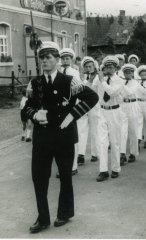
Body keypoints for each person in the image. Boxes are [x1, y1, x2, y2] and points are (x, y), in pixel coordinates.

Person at [23, 41, 98, 233]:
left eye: (48, 58)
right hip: (42, 138)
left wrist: (72, 115)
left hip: (64, 137)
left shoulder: (69, 81)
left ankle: (64, 213)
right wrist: (34, 114)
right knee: (39, 178)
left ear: (57, 60)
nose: (45, 61)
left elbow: (92, 97)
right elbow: (25, 108)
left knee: (65, 176)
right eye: (42, 58)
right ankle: (43, 218)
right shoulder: (35, 83)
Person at [95, 55, 125, 182]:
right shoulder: (99, 79)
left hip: (114, 111)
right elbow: (92, 90)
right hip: (102, 111)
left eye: (111, 66)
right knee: (102, 142)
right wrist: (96, 78)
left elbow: (112, 92)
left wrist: (102, 81)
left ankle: (116, 168)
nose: (109, 69)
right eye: (106, 66)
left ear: (116, 68)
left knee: (115, 141)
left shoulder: (120, 80)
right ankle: (103, 170)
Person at [58, 48, 82, 177]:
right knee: (60, 138)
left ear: (71, 59)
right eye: (63, 58)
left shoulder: (74, 72)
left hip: (71, 106)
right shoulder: (57, 71)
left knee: (71, 137)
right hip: (59, 108)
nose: (65, 61)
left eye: (67, 58)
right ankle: (62, 167)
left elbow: (77, 89)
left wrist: (74, 107)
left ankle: (73, 166)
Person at [81, 56, 104, 163]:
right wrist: (87, 81)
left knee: (95, 131)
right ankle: (80, 154)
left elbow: (94, 90)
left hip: (95, 106)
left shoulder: (98, 77)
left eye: (90, 66)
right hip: (84, 106)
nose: (88, 68)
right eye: (86, 66)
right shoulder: (83, 78)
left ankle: (95, 153)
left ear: (95, 67)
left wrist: (90, 80)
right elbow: (81, 90)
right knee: (82, 130)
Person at [120, 63, 140, 165]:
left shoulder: (135, 82)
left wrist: (121, 84)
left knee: (133, 130)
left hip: (132, 105)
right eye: (126, 72)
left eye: (130, 72)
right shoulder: (121, 82)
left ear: (133, 73)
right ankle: (122, 154)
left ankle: (133, 153)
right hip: (123, 105)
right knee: (122, 131)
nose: (128, 74)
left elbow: (130, 92)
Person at [136, 65, 146, 149]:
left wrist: (139, 86)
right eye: (142, 75)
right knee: (139, 123)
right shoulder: (137, 83)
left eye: (145, 74)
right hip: (138, 103)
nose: (143, 76)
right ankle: (138, 140)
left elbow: (145, 92)